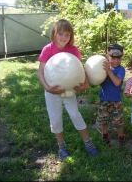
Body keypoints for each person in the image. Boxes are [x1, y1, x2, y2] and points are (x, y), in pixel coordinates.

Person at [37, 19, 99, 161]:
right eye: (60, 34)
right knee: (56, 119)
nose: (63, 37)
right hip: (52, 91)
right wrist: (47, 88)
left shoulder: (73, 50)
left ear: (71, 36)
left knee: (75, 114)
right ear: (54, 34)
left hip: (69, 90)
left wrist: (86, 84)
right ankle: (62, 147)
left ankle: (88, 144)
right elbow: (40, 72)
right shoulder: (48, 49)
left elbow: (80, 69)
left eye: (67, 35)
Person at [96, 43, 126, 147]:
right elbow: (95, 79)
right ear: (107, 56)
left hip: (116, 101)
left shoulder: (121, 69)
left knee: (118, 122)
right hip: (104, 100)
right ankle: (105, 137)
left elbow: (117, 82)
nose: (116, 61)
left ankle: (121, 139)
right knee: (104, 121)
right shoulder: (102, 67)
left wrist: (108, 71)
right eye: (113, 58)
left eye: (119, 58)